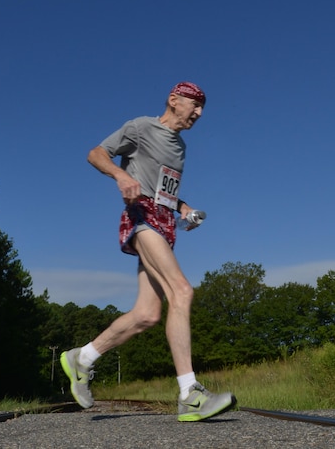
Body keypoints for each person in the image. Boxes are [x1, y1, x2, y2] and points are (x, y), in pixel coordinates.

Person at [59, 81, 236, 422]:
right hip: (141, 219)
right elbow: (96, 153)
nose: (199, 113)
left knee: (147, 315)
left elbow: (164, 191)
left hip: (165, 223)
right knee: (182, 291)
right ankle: (190, 394)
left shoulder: (180, 147)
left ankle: (82, 358)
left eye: (202, 108)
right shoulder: (140, 127)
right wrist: (119, 176)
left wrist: (183, 209)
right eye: (194, 104)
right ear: (174, 100)